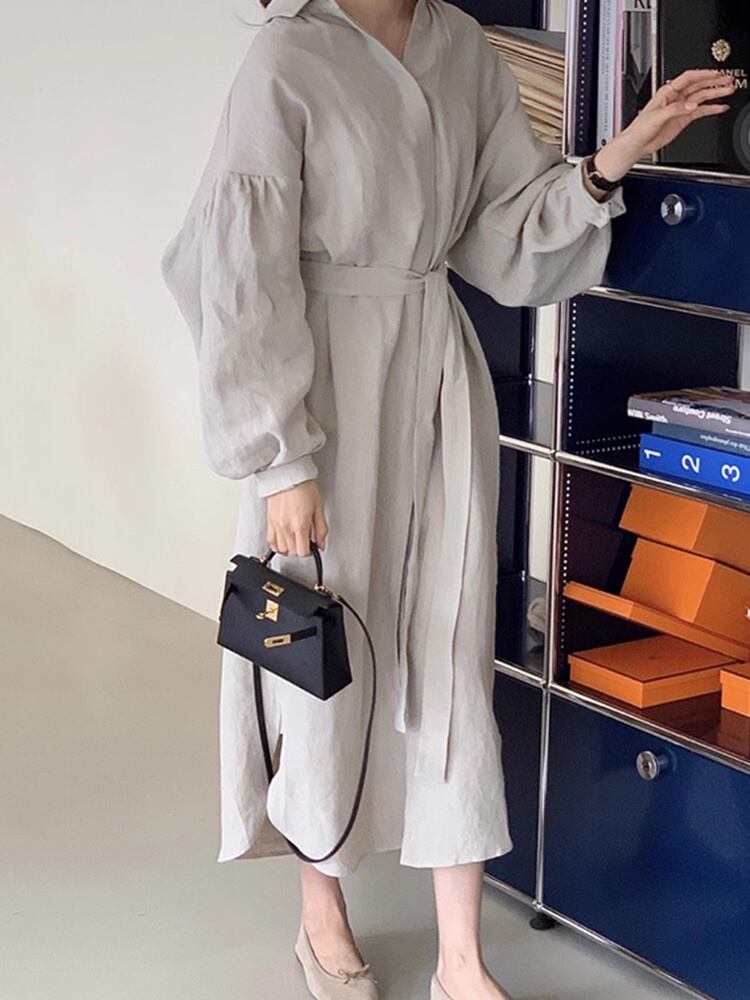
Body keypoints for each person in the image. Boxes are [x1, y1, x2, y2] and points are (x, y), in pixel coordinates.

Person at [160, 1, 734, 996]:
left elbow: (502, 224)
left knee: (450, 642)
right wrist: (281, 459)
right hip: (320, 392)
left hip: (434, 377)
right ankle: (319, 908)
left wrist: (620, 153)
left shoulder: (460, 47)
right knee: (315, 641)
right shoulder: (288, 56)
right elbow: (239, 267)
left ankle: (461, 958)